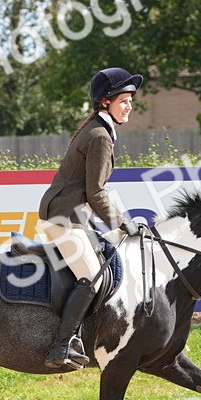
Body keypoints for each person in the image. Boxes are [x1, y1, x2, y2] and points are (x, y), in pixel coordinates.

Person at [35, 67, 143, 370]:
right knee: (93, 275)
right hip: (63, 216)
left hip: (72, 213)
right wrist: (122, 223)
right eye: (124, 101)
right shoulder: (99, 136)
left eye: (131, 101)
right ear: (105, 102)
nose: (129, 107)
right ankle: (61, 345)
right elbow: (96, 193)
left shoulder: (100, 130)